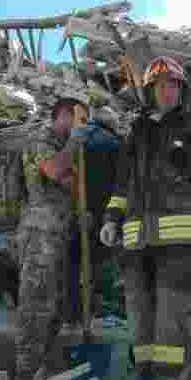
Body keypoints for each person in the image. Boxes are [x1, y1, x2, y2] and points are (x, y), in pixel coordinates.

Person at [99, 56, 191, 380]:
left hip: (180, 234)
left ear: (182, 90)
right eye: (162, 85)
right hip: (135, 235)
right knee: (138, 307)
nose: (168, 91)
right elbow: (123, 183)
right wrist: (111, 218)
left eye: (174, 85)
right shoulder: (136, 132)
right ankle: (143, 373)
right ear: (150, 91)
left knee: (173, 308)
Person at [14, 97, 81, 380]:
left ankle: (43, 371)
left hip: (59, 232)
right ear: (64, 115)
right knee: (36, 302)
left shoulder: (62, 146)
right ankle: (25, 375)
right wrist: (75, 142)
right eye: (79, 118)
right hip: (40, 232)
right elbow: (54, 171)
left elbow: (70, 183)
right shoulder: (41, 139)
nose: (82, 125)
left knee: (54, 305)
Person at [65, 104, 122, 325]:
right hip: (99, 213)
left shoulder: (75, 138)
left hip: (73, 211)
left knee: (72, 261)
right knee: (97, 261)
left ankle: (72, 311)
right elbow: (119, 182)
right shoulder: (113, 144)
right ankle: (94, 308)